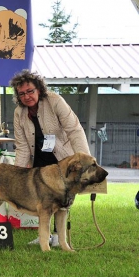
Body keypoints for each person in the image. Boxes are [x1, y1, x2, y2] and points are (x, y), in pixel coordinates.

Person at [10, 69, 90, 247]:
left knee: (63, 199)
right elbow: (22, 146)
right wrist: (18, 175)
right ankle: (44, 236)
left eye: (30, 91)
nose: (27, 96)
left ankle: (57, 236)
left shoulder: (55, 101)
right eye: (22, 94)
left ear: (39, 89)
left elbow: (74, 130)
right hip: (39, 160)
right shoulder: (19, 113)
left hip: (62, 158)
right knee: (44, 200)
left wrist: (84, 159)